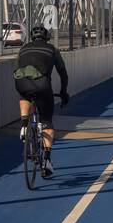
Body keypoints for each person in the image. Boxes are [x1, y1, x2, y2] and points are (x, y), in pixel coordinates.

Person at [14, 25, 69, 177]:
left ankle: (24, 124)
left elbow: (16, 69)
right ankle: (46, 160)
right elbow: (63, 73)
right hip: (42, 86)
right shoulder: (52, 50)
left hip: (21, 83)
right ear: (47, 37)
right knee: (47, 122)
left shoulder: (23, 49)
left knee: (24, 95)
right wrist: (64, 93)